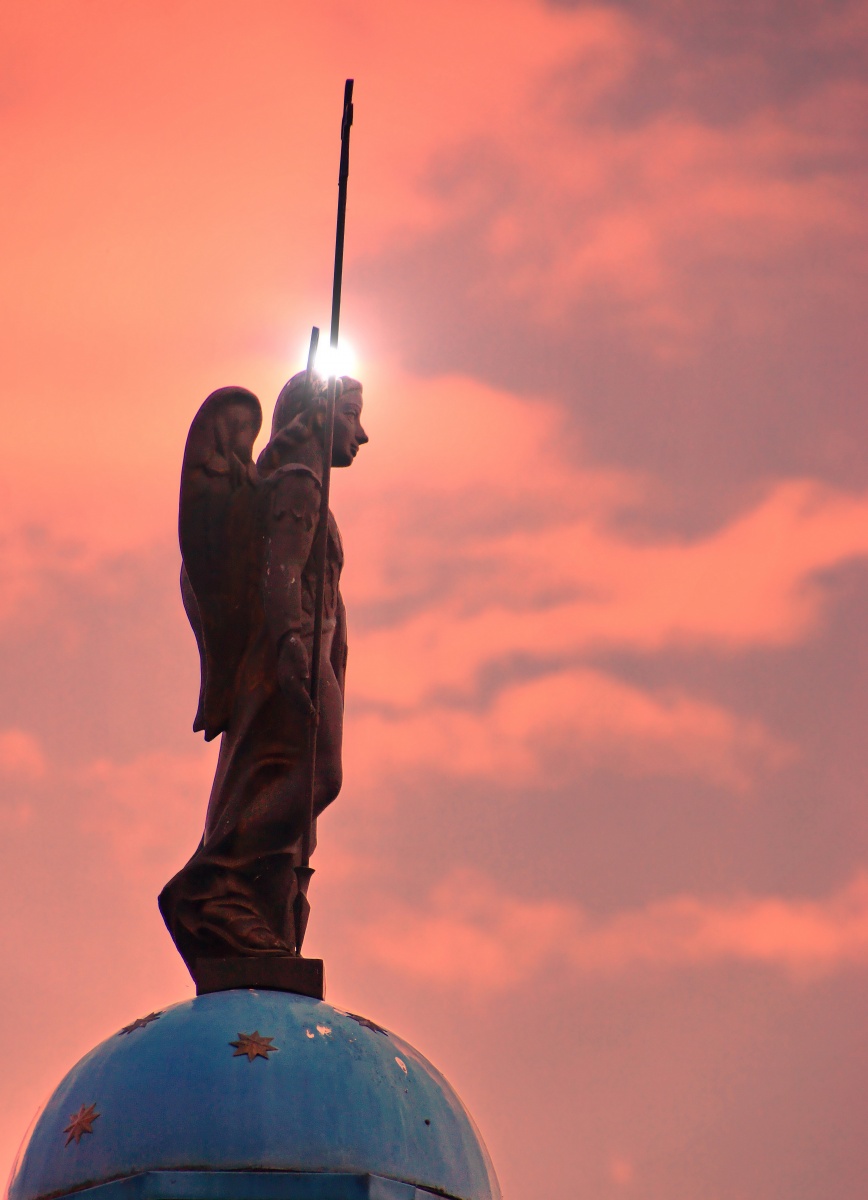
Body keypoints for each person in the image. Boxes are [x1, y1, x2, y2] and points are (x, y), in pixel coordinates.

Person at [158, 372, 368, 970]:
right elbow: (281, 579)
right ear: (321, 414)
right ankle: (211, 882)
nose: (363, 433)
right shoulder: (298, 487)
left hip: (296, 653)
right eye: (352, 414)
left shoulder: (293, 489)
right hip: (290, 654)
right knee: (320, 774)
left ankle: (245, 893)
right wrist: (291, 651)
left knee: (290, 783)